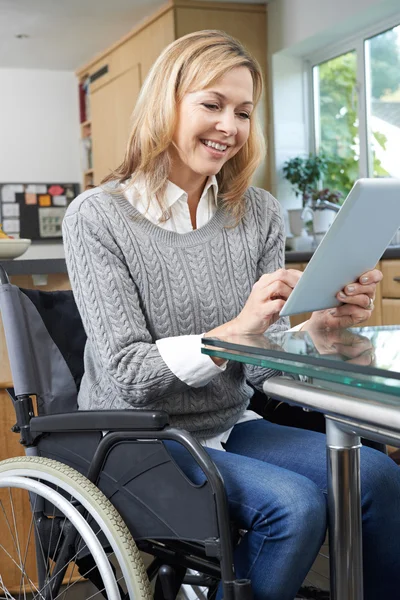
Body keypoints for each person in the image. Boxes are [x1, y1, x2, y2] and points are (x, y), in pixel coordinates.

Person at [63, 30, 400, 600]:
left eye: (243, 112)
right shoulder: (97, 217)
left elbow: (261, 368)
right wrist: (230, 334)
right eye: (211, 105)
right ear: (165, 105)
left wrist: (315, 333)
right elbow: (127, 373)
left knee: (381, 478)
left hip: (228, 424)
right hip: (134, 437)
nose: (230, 126)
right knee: (291, 508)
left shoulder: (258, 213)